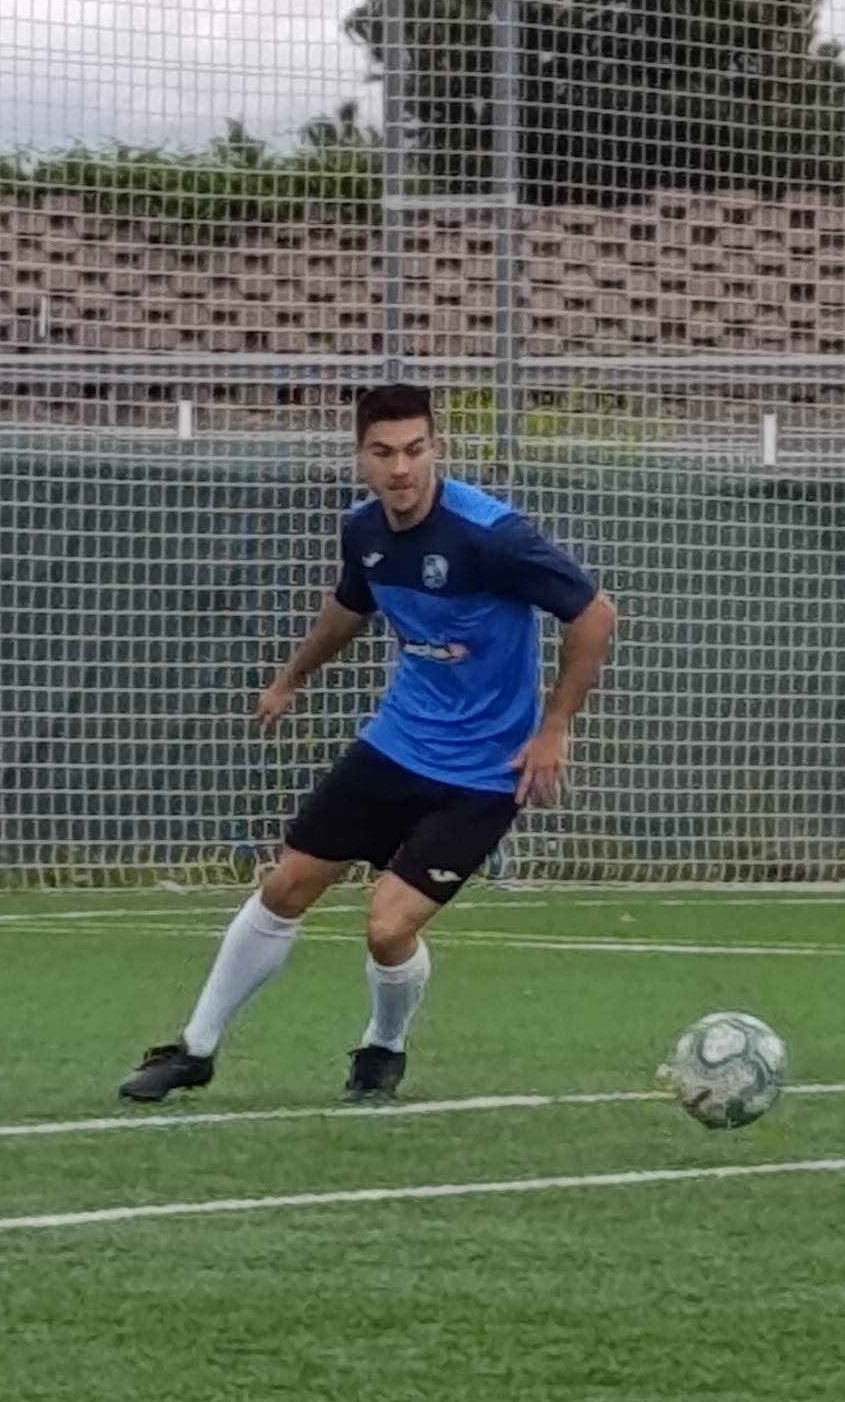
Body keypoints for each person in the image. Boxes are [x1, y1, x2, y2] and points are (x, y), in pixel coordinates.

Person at [121, 383, 616, 1106]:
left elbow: (595, 613)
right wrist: (291, 677)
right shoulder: (363, 531)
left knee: (386, 928)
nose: (401, 469)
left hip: (483, 773)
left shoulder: (491, 536)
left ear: (436, 448)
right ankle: (194, 1048)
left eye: (415, 450)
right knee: (285, 885)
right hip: (395, 744)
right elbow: (351, 606)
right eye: (383, 453)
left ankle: (383, 1047)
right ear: (361, 457)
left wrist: (554, 727)